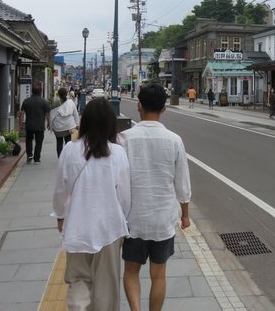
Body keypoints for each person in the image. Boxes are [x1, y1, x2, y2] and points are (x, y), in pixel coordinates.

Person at [52, 98, 130, 311]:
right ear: (110, 124)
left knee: (78, 282)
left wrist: (60, 216)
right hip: (109, 229)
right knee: (106, 288)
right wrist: (121, 217)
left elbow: (60, 190)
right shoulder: (118, 153)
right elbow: (124, 197)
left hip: (77, 226)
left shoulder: (69, 149)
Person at [119, 83, 191, 311]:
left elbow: (117, 182)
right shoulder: (174, 140)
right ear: (164, 108)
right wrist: (185, 215)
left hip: (133, 219)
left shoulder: (124, 138)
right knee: (158, 274)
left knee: (131, 270)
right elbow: (182, 183)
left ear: (139, 106)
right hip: (162, 219)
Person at [19, 86, 50, 164]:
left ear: (31, 91)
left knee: (28, 140)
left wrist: (20, 125)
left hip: (29, 125)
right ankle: (37, 158)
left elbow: (21, 114)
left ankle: (29, 155)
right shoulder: (44, 102)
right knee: (39, 142)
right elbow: (47, 114)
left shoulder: (26, 101)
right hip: (40, 126)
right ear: (40, 92)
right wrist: (49, 123)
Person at [51, 87, 80, 158]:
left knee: (59, 143)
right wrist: (77, 125)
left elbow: (52, 117)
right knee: (69, 143)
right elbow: (76, 115)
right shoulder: (71, 103)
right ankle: (68, 158)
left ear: (59, 95)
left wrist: (51, 126)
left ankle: (60, 158)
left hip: (58, 128)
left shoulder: (55, 104)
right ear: (66, 94)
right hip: (69, 127)